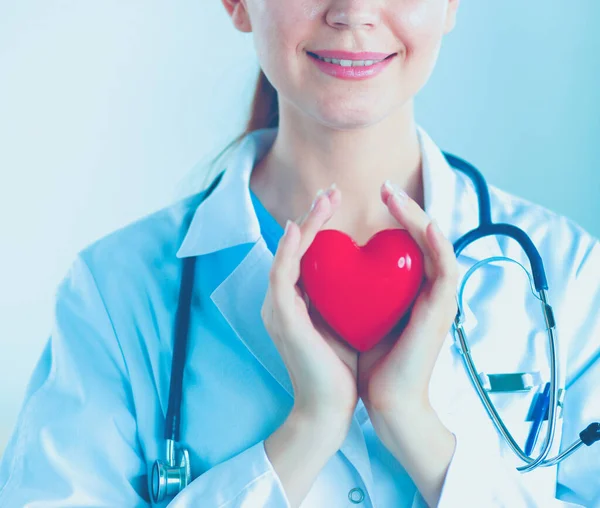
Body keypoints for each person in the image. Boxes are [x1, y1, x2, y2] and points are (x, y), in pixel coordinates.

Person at [0, 0, 598, 506]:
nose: (353, 12)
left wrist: (414, 426)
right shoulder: (113, 293)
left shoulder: (570, 275)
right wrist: (304, 435)